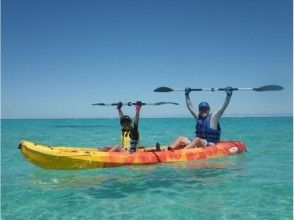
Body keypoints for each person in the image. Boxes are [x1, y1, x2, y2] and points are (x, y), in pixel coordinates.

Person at [168, 87, 233, 149]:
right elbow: (190, 106)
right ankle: (167, 150)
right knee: (180, 138)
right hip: (199, 142)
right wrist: (186, 95)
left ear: (208, 110)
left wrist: (228, 95)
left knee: (197, 139)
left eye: (205, 109)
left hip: (211, 144)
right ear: (199, 110)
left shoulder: (214, 118)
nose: (203, 111)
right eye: (201, 110)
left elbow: (223, 107)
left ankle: (182, 152)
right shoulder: (198, 117)